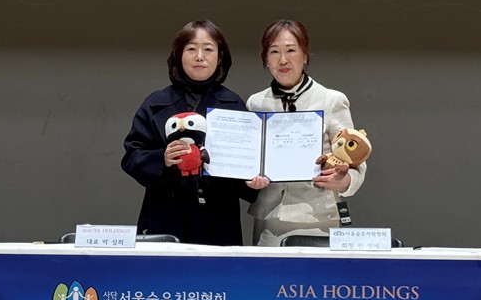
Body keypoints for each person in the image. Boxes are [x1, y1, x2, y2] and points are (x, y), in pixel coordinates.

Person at [121, 20, 260, 245]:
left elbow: (245, 165)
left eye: (208, 49)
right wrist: (163, 159)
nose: (199, 57)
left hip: (218, 219)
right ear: (178, 55)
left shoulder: (233, 105)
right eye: (191, 49)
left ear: (220, 57)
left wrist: (251, 182)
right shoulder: (155, 103)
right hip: (165, 216)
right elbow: (132, 157)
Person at [246, 19, 367, 246]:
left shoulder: (331, 100)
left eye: (291, 50)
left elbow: (356, 160)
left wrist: (344, 180)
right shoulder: (256, 103)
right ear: (266, 59)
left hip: (319, 219)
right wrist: (248, 177)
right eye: (274, 52)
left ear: (305, 55)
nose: (283, 60)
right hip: (269, 221)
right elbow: (250, 159)